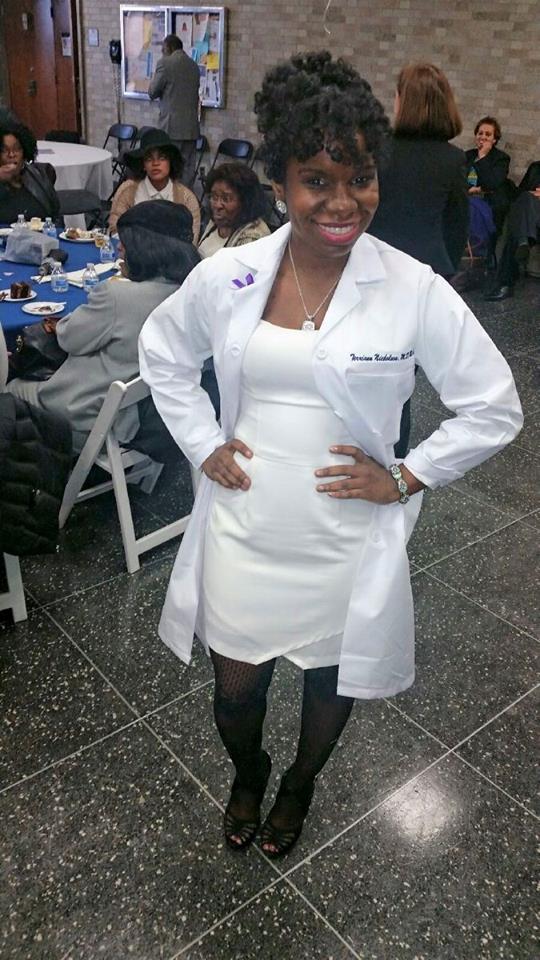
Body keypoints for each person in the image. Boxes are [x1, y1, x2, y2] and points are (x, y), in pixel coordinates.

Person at [139, 51, 522, 859]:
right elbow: (163, 353)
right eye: (318, 179)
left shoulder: (412, 287)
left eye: (360, 178)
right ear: (281, 182)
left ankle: (299, 784)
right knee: (234, 692)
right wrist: (202, 442)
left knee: (328, 681)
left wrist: (408, 475)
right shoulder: (231, 274)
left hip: (345, 532)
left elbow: (495, 406)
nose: (344, 202)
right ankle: (250, 769)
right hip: (245, 525)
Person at [7, 201, 199, 451]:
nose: (119, 248)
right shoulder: (193, 293)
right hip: (150, 415)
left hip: (89, 415)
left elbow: (69, 339)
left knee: (9, 388)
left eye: (125, 242)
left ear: (145, 248)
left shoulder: (118, 296)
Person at [369, 62, 468, 278]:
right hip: (428, 268)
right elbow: (457, 226)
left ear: (402, 101)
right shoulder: (454, 159)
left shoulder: (377, 149)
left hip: (375, 262)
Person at [109, 128, 200, 240]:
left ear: (170, 162)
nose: (155, 163)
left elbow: (191, 241)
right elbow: (115, 230)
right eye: (149, 159)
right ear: (143, 164)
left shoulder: (187, 199)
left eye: (162, 158)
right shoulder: (127, 190)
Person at [484, 160, 540, 301]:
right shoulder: (536, 168)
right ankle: (522, 241)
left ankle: (505, 285)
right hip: (532, 221)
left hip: (531, 225)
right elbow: (520, 194)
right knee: (525, 199)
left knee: (519, 230)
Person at [148, 34, 200, 184]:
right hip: (190, 128)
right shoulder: (194, 66)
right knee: (187, 171)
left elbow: (152, 92)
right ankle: (185, 197)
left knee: (169, 171)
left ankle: (170, 198)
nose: (162, 53)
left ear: (169, 48)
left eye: (163, 50)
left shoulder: (165, 64)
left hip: (171, 128)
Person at [198, 163, 270, 257]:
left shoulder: (253, 238)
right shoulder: (216, 221)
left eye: (226, 199)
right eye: (214, 197)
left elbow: (245, 269)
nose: (217, 205)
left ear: (245, 202)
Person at [0, 120, 59, 223]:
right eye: (4, 150)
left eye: (17, 149)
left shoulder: (40, 175)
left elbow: (54, 213)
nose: (11, 155)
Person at [465, 116, 514, 238]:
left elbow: (491, 183)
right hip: (466, 197)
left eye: (488, 134)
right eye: (480, 133)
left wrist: (482, 156)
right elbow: (458, 179)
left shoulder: (501, 158)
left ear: (494, 139)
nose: (483, 137)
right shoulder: (467, 155)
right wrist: (468, 190)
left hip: (488, 201)